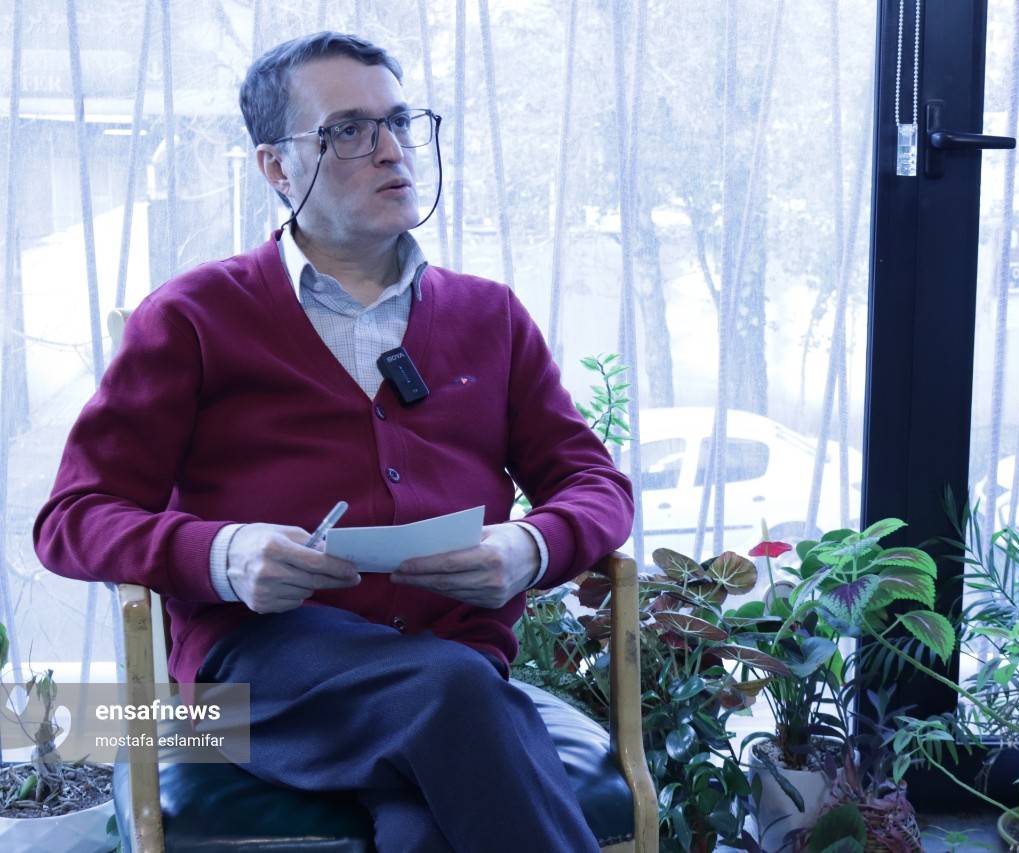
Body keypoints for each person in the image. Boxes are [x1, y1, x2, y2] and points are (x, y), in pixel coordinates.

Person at [33, 32, 632, 853]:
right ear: (276, 167)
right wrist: (224, 553)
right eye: (348, 130)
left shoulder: (490, 317)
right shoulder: (191, 318)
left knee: (431, 816)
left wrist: (527, 548)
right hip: (254, 684)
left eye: (399, 122)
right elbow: (72, 517)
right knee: (454, 696)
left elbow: (597, 486)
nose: (391, 150)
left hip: (451, 665)